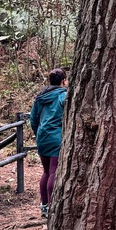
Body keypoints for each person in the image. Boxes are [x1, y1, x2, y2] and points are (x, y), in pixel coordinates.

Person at [30, 68, 68, 218]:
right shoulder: (63, 96)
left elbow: (33, 120)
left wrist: (39, 133)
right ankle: (53, 208)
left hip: (42, 137)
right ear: (63, 81)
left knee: (46, 171)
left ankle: (44, 206)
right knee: (53, 171)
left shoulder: (40, 97)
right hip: (56, 138)